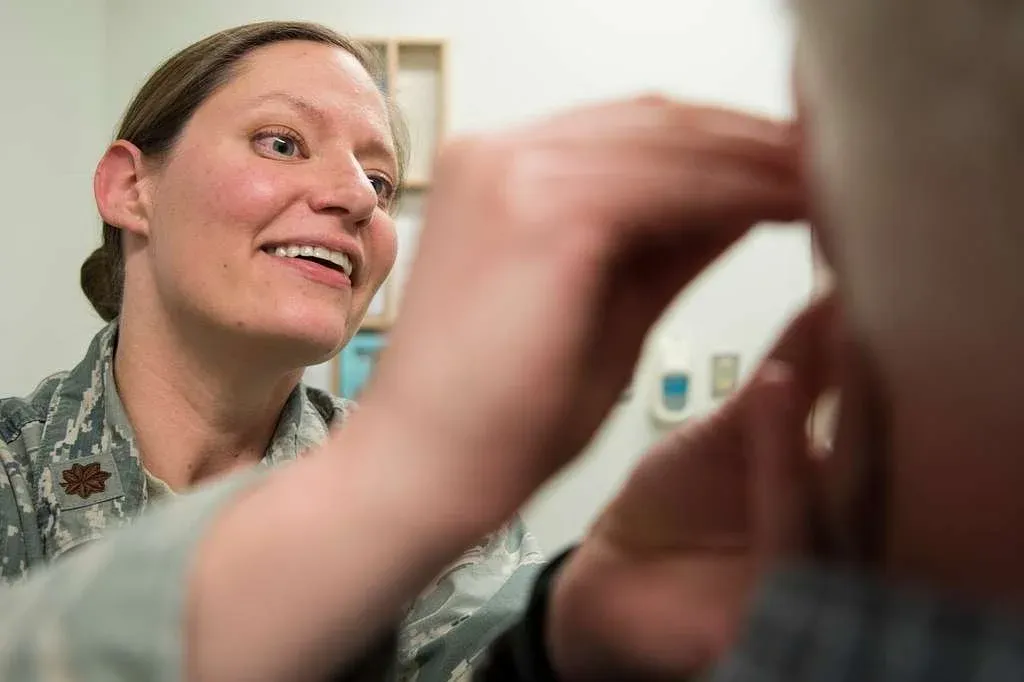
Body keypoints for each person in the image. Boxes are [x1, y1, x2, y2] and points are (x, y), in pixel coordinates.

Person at [0, 18, 807, 682]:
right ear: (130, 188)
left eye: (380, 182)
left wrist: (578, 630)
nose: (355, 196)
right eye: (282, 143)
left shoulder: (445, 508)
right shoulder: (14, 473)